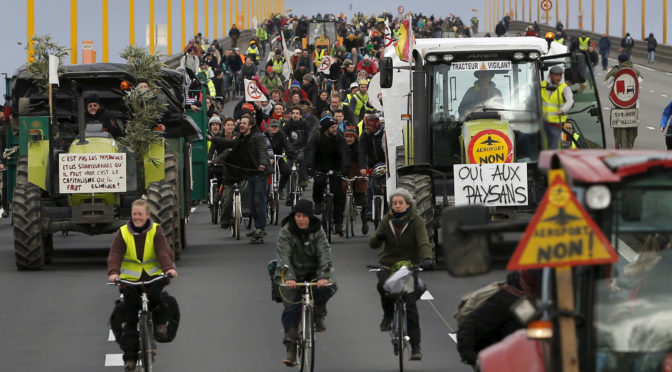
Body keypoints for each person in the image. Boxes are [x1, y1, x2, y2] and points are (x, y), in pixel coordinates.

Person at [107, 199, 178, 372]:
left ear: (147, 215)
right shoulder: (123, 232)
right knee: (130, 315)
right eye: (134, 214)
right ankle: (130, 358)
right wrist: (113, 272)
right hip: (130, 281)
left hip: (153, 277)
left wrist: (169, 268)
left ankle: (160, 324)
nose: (137, 217)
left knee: (155, 298)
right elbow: (115, 254)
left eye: (140, 214)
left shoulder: (156, 230)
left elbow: (162, 251)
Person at [368, 188, 433, 361]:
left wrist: (427, 258)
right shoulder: (386, 220)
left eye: (400, 203)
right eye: (394, 203)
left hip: (408, 266)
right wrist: (378, 237)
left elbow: (423, 241)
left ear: (408, 204)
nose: (397, 206)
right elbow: (372, 244)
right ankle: (388, 314)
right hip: (388, 263)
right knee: (382, 286)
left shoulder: (416, 220)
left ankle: (416, 347)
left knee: (410, 306)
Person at [274, 199, 336, 366]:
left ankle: (318, 312)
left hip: (314, 272)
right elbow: (283, 256)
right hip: (291, 274)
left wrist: (323, 275)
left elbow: (324, 253)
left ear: (310, 218)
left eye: (304, 216)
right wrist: (289, 278)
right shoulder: (286, 232)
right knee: (291, 309)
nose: (301, 220)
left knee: (327, 286)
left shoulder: (318, 232)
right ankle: (291, 348)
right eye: (298, 216)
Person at [457, 271, 539, 367]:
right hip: (504, 361)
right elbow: (470, 323)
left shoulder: (549, 300)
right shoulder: (508, 298)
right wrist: (469, 355)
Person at [215, 114, 270, 241]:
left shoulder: (258, 137)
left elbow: (262, 151)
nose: (241, 124)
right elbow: (229, 143)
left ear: (250, 125)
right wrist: (213, 139)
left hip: (260, 173)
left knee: (258, 201)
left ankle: (261, 228)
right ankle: (257, 228)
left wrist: (262, 164)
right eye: (241, 122)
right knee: (251, 203)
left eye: (244, 123)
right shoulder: (241, 138)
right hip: (249, 174)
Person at [305, 115, 349, 236]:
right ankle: (318, 202)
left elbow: (344, 153)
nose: (335, 129)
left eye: (336, 126)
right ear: (326, 129)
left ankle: (338, 223)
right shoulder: (316, 137)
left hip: (335, 167)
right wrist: (310, 168)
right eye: (332, 127)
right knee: (318, 183)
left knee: (339, 195)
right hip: (320, 166)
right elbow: (310, 153)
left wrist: (344, 169)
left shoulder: (339, 137)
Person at [606, 54, 641, 149]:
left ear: (619, 61)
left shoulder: (615, 71)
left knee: (617, 126)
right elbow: (641, 80)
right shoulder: (634, 71)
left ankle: (617, 145)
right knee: (632, 127)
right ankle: (630, 145)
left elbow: (607, 83)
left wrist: (611, 69)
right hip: (633, 105)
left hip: (618, 105)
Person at [359, 114, 386, 231]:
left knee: (385, 188)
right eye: (365, 125)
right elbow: (362, 151)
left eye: (368, 125)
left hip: (385, 164)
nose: (366, 128)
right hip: (372, 165)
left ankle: (387, 211)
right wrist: (362, 167)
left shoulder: (384, 134)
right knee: (370, 187)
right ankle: (370, 211)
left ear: (376, 124)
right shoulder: (365, 135)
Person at [541, 65, 574, 149]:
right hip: (541, 122)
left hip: (555, 124)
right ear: (550, 75)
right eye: (556, 75)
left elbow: (570, 101)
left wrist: (562, 110)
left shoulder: (564, 88)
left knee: (553, 146)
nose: (558, 77)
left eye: (560, 75)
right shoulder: (542, 85)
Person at [343, 125, 368, 234]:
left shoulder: (359, 147)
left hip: (358, 170)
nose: (348, 139)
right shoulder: (342, 146)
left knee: (361, 195)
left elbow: (363, 159)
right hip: (346, 171)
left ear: (355, 137)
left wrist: (364, 172)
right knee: (342, 189)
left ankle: (364, 221)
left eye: (351, 136)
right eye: (347, 136)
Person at [265, 119, 295, 199]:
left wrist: (290, 152)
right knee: (264, 174)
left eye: (276, 127)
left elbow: (287, 144)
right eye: (272, 127)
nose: (274, 128)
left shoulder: (281, 135)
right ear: (269, 127)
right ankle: (266, 190)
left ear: (279, 128)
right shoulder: (264, 135)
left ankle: (281, 188)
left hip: (278, 158)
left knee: (287, 171)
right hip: (267, 159)